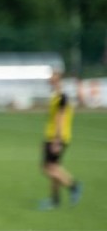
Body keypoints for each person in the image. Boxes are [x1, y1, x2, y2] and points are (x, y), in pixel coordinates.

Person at [39, 71, 82, 210]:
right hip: (52, 137)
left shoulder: (62, 97)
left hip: (56, 137)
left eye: (52, 77)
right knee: (53, 168)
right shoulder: (56, 96)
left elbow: (60, 119)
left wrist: (56, 140)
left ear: (57, 80)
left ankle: (73, 186)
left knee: (47, 168)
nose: (49, 79)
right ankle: (55, 200)